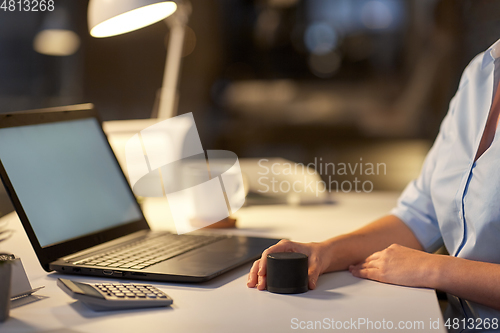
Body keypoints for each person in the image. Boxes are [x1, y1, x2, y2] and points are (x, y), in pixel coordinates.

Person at [247, 39, 500, 328]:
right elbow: (420, 215)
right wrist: (327, 252)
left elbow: (428, 256)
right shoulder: (480, 73)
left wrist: (434, 268)